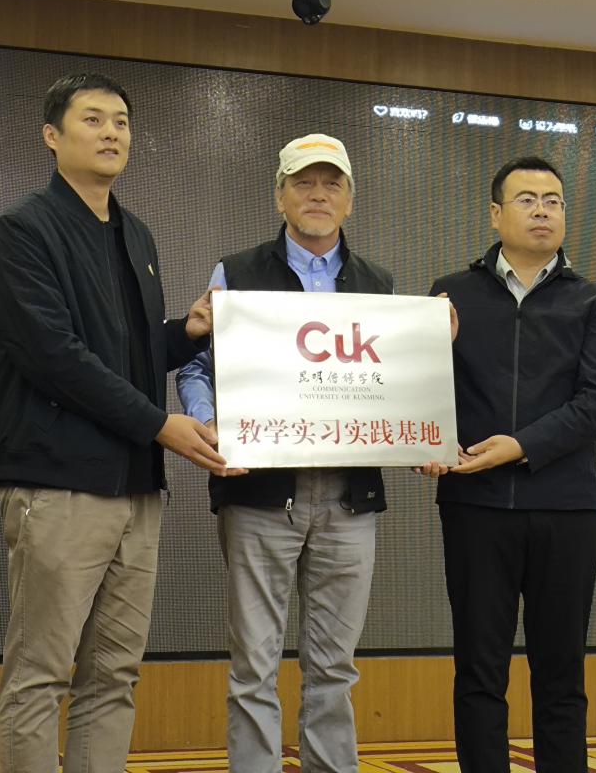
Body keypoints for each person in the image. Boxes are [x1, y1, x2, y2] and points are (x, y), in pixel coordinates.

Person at [0, 73, 238, 773]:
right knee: (41, 675)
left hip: (136, 487)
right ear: (52, 135)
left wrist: (184, 334)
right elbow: (55, 357)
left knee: (114, 675)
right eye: (93, 119)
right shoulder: (24, 230)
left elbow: (129, 353)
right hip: (60, 485)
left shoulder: (136, 233)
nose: (111, 133)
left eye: (121, 121)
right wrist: (161, 425)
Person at [177, 134, 394, 773]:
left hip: (349, 500)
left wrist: (432, 367)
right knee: (253, 668)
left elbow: (395, 385)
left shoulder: (380, 285)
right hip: (259, 495)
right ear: (280, 196)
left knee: (335, 668)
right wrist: (208, 422)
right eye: (303, 182)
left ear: (350, 200)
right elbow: (197, 365)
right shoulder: (235, 273)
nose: (318, 194)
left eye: (332, 183)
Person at [427, 155, 596, 773]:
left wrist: (520, 445)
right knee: (479, 671)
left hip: (566, 508)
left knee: (561, 673)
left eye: (554, 201)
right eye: (528, 199)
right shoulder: (450, 295)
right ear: (495, 214)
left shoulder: (593, 300)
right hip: (475, 505)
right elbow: (421, 388)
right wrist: (425, 442)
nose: (543, 210)